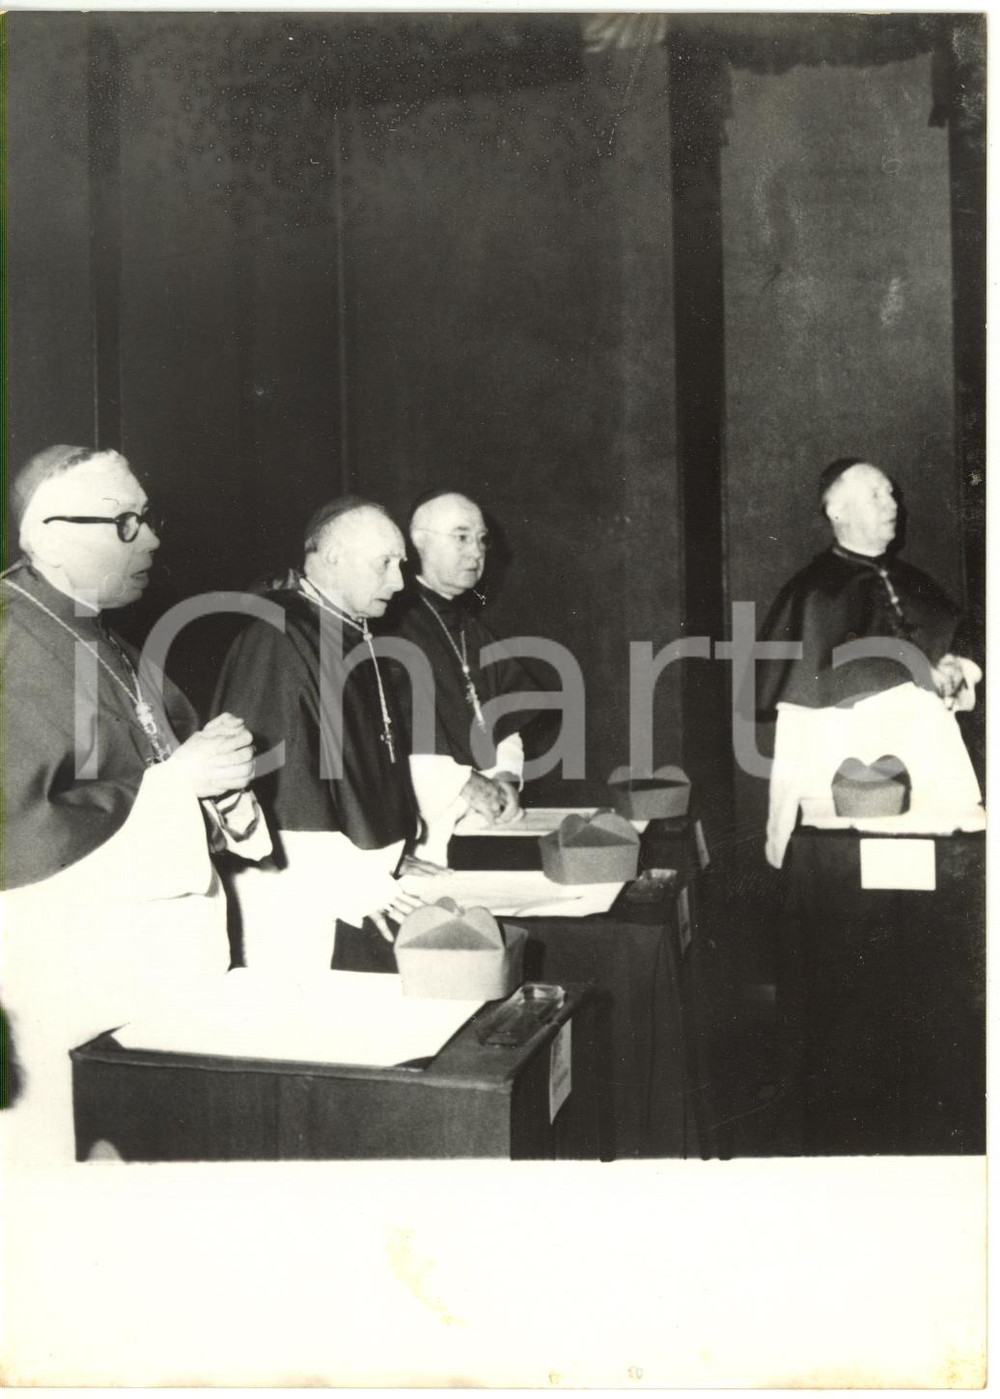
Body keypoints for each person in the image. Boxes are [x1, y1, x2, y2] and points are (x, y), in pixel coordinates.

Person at [1, 444, 269, 1163]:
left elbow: (164, 762)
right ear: (52, 536)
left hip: (144, 973)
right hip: (62, 988)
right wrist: (176, 784)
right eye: (125, 524)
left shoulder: (108, 639)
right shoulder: (8, 638)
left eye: (146, 519)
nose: (151, 539)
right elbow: (20, 837)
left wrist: (221, 781)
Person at [211, 497, 428, 973]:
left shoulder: (351, 629)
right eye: (384, 564)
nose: (398, 581)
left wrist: (393, 855)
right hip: (302, 894)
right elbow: (282, 794)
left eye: (401, 564)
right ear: (332, 558)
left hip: (360, 882)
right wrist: (363, 884)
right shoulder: (279, 637)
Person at [758, 457, 983, 869]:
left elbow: (952, 637)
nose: (892, 505)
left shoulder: (916, 580)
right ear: (836, 511)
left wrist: (957, 668)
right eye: (876, 495)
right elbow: (818, 681)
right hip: (844, 760)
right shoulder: (811, 594)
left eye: (892, 494)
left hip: (929, 755)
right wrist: (914, 672)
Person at [392, 490, 539, 863]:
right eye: (461, 537)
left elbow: (501, 712)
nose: (477, 552)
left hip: (476, 825)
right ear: (419, 541)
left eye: (481, 539)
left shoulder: (468, 626)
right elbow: (381, 739)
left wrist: (505, 775)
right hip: (417, 831)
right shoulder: (388, 624)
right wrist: (461, 784)